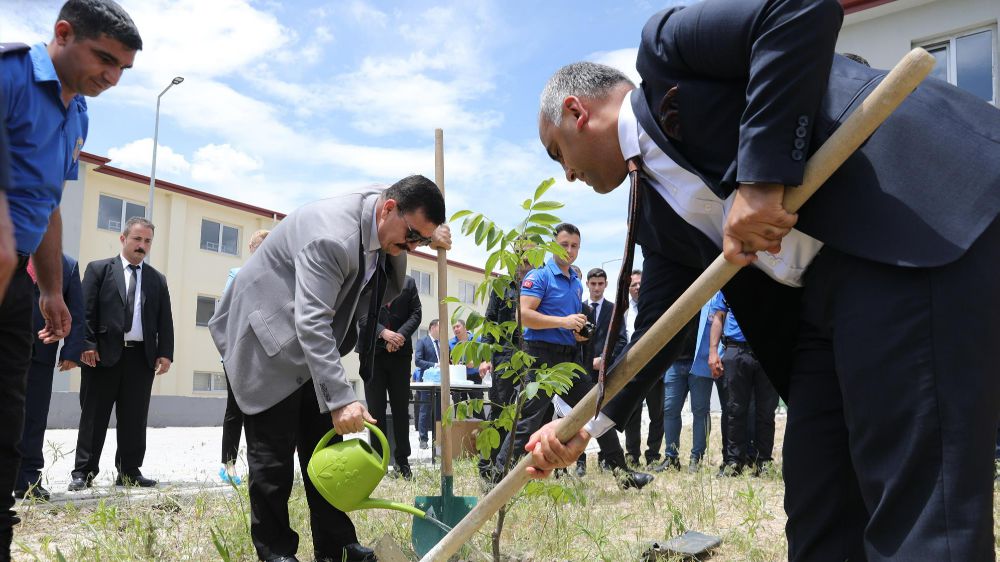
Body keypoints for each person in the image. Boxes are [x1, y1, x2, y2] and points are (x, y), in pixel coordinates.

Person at [527, 1, 1000, 559]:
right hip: (823, 308)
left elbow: (800, 9)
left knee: (918, 505)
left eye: (559, 153)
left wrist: (760, 180)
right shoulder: (654, 213)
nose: (568, 175)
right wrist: (588, 425)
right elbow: (660, 325)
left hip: (906, 231)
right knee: (819, 503)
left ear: (576, 111)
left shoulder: (668, 51)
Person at [209, 176, 449, 562]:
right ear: (388, 209)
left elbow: (381, 287)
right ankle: (276, 553)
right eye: (411, 237)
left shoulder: (382, 218)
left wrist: (424, 237)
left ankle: (336, 544)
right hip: (267, 337)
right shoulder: (332, 238)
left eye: (419, 241)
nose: (412, 248)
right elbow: (312, 322)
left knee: (329, 450)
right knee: (272, 460)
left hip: (309, 345)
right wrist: (341, 399)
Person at [0, 1, 140, 555]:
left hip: (17, 280)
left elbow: (49, 205)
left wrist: (51, 289)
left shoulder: (78, 111)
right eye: (104, 58)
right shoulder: (9, 76)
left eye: (122, 69)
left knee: (9, 412)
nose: (111, 77)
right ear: (62, 33)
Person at [495, 223, 652, 490]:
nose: (569, 250)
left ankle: (623, 475)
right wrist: (564, 321)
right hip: (541, 358)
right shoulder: (540, 276)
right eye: (564, 244)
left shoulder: (575, 283)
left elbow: (567, 324)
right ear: (553, 244)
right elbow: (525, 317)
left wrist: (577, 333)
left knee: (597, 408)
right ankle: (496, 478)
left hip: (568, 358)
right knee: (528, 420)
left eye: (574, 246)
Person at [70, 218, 173, 490]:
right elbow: (84, 311)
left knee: (135, 418)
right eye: (137, 239)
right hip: (101, 356)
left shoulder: (156, 280)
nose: (142, 246)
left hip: (141, 358)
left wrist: (165, 353)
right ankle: (84, 472)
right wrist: (86, 344)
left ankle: (129, 471)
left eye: (147, 241)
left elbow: (165, 321)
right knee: (94, 416)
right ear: (123, 239)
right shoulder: (99, 270)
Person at [15, 255, 84, 501]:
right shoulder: (9, 246)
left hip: (41, 352)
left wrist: (72, 350)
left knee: (34, 416)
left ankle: (29, 479)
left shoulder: (67, 265)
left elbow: (76, 309)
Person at [217, 229, 270, 485]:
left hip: (266, 357)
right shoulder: (237, 275)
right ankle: (228, 466)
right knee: (235, 410)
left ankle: (260, 466)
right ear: (251, 247)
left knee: (263, 413)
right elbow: (226, 313)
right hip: (238, 355)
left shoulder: (276, 279)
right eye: (261, 245)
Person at [357, 274, 421, 480]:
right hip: (373, 354)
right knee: (375, 411)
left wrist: (399, 336)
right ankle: (378, 462)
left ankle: (402, 462)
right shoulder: (367, 280)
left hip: (400, 355)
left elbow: (416, 313)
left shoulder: (408, 282)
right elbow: (361, 315)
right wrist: (384, 334)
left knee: (401, 409)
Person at [708, 291, 778, 476]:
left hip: (768, 350)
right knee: (734, 410)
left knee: (766, 411)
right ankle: (733, 462)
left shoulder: (772, 280)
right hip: (735, 350)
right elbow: (718, 318)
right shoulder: (727, 284)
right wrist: (713, 352)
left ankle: (763, 462)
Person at [476, 261, 531, 477]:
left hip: (531, 353)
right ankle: (488, 464)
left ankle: (516, 465)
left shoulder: (540, 281)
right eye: (520, 259)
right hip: (505, 354)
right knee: (499, 409)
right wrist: (484, 358)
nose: (522, 264)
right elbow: (490, 321)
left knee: (528, 412)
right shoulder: (502, 284)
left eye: (528, 259)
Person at [575, 267, 625, 475]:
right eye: (593, 284)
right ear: (587, 284)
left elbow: (621, 341)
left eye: (600, 284)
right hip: (581, 372)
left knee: (603, 416)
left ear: (605, 285)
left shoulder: (614, 310)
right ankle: (580, 461)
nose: (596, 288)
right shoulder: (579, 309)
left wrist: (603, 361)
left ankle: (607, 460)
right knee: (577, 416)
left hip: (604, 373)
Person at [622, 270, 665, 467]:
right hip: (631, 369)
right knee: (632, 414)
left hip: (655, 367)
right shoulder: (622, 310)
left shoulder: (656, 306)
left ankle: (653, 455)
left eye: (640, 283)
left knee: (657, 414)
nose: (637, 287)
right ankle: (632, 455)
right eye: (633, 285)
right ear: (628, 288)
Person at [413, 319, 442, 449]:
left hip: (441, 382)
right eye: (440, 327)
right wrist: (435, 365)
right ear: (433, 327)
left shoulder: (442, 344)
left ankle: (438, 439)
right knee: (425, 410)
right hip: (427, 382)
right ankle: (423, 439)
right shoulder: (422, 341)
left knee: (439, 411)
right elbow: (418, 361)